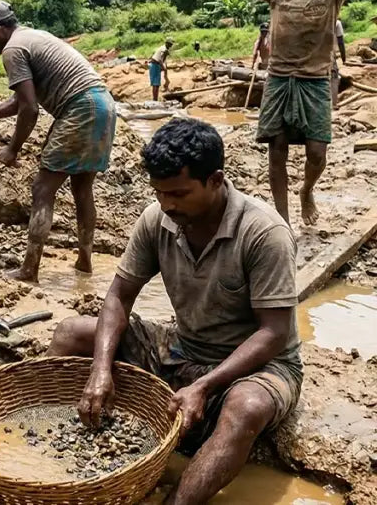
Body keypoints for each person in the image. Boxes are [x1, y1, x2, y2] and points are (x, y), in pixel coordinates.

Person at [48, 119, 301, 505]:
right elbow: (119, 295)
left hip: (256, 365)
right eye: (160, 193)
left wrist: (203, 386)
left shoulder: (264, 233)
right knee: (71, 334)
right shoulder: (158, 218)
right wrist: (100, 370)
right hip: (183, 347)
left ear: (215, 180)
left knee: (247, 407)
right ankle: (55, 453)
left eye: (179, 194)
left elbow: (273, 333)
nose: (168, 204)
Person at [223, 0, 370, 225]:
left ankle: (306, 190)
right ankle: (282, 219)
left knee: (317, 151)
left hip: (316, 79)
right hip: (278, 79)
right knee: (277, 148)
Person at [0, 0, 116, 281]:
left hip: (80, 109)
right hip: (102, 104)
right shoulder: (32, 36)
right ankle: (85, 263)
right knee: (82, 188)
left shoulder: (13, 50)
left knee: (43, 189)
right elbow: (16, 102)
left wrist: (12, 149)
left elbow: (29, 109)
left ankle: (29, 270)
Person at [332, 19, 346, 109]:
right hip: (328, 56)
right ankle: (333, 103)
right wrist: (343, 57)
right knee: (334, 78)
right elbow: (340, 42)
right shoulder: (337, 22)